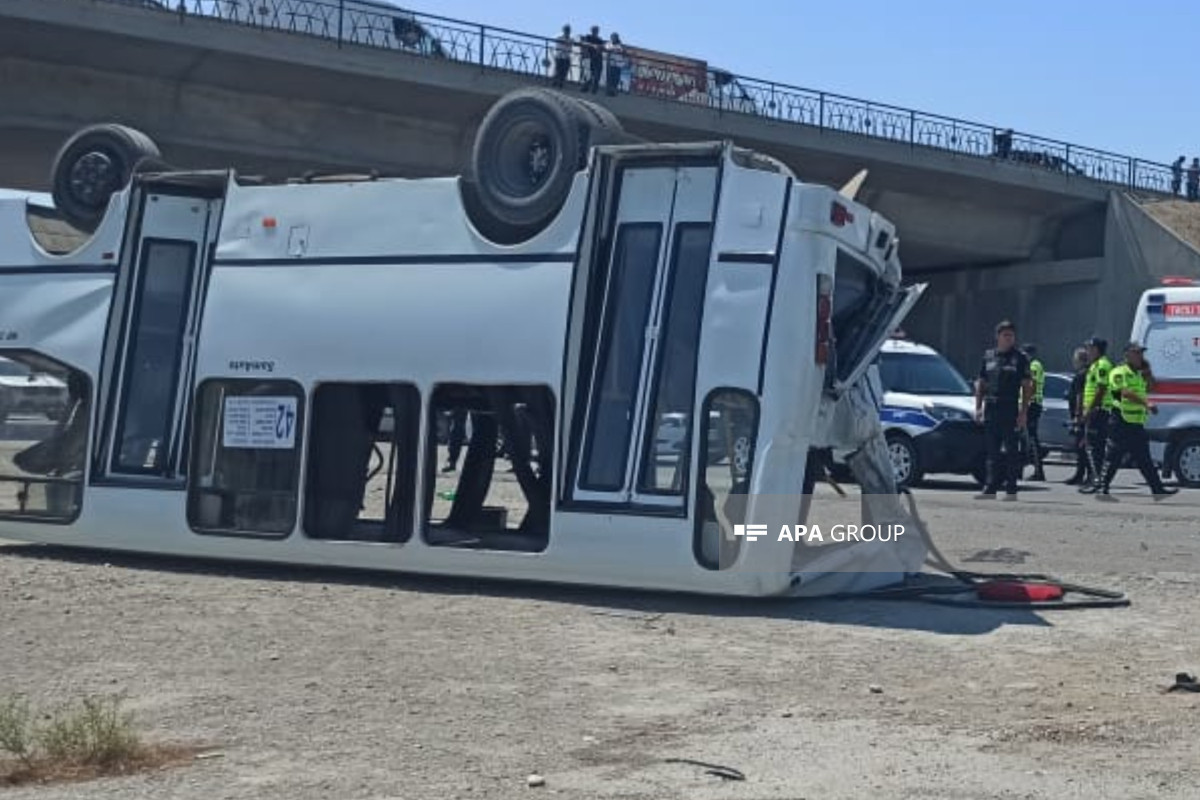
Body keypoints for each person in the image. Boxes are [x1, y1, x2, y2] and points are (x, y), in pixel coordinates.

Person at [1092, 342, 1177, 501]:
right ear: (1127, 355)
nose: (1140, 356)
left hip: (1135, 423)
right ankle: (1102, 490)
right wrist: (1146, 404)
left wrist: (1148, 372)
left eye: (1141, 353)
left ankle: (1158, 491)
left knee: (1144, 458)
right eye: (1137, 353)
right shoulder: (1118, 372)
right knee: (1114, 456)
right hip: (1120, 420)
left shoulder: (1138, 374)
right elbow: (1124, 392)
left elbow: (1151, 387)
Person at [974, 320, 1033, 500]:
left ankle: (1011, 489)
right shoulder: (988, 356)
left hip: (1009, 408)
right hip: (991, 406)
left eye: (1011, 335)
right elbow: (981, 384)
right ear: (997, 336)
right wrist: (978, 408)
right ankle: (990, 487)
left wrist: (1023, 413)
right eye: (1005, 335)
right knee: (992, 451)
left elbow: (1027, 386)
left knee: (1011, 451)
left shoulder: (1020, 358)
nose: (1009, 339)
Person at [1078, 337, 1115, 494]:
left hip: (1099, 411)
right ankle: (1097, 480)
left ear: (1097, 349)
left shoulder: (1102, 365)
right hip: (1096, 410)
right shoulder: (1095, 365)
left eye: (1090, 348)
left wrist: (1090, 409)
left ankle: (1097, 480)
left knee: (1095, 448)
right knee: (1094, 447)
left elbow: (1101, 389)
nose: (1087, 351)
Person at [1064, 346, 1092, 485]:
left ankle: (1085, 475)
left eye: (1075, 359)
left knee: (1082, 447)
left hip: (1082, 416)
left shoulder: (1082, 374)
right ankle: (1081, 474)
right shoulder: (1087, 373)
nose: (1073, 362)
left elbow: (1080, 395)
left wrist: (1077, 415)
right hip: (1084, 414)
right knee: (1081, 446)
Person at [1022, 343, 1047, 481]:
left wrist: (1026, 403)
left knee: (1032, 439)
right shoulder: (1031, 365)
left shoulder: (1034, 365)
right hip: (1030, 404)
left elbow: (1033, 385)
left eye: (1025, 354)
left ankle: (1039, 471)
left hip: (1032, 404)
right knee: (1027, 438)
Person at [580, 25, 605, 93]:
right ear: (592, 31)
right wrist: (593, 46)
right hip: (590, 57)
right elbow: (584, 43)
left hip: (598, 58)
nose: (596, 31)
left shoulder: (600, 40)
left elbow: (602, 47)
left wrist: (599, 48)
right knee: (589, 74)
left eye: (596, 30)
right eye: (594, 30)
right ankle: (586, 87)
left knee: (597, 75)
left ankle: (594, 89)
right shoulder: (588, 37)